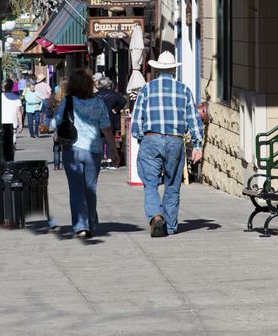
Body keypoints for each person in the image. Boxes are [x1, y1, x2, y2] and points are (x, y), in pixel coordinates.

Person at [131, 50, 203, 238]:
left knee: (150, 183)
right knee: (172, 184)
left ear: (156, 70)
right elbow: (194, 120)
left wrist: (141, 138)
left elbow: (137, 120)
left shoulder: (146, 89)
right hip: (175, 140)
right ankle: (170, 226)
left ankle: (156, 215)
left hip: (151, 138)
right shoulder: (184, 90)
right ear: (174, 71)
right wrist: (197, 145)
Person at [50, 69, 120, 238]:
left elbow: (54, 123)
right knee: (90, 189)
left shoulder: (67, 101)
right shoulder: (98, 102)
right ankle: (91, 223)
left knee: (76, 190)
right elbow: (106, 128)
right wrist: (114, 151)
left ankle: (81, 226)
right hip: (94, 151)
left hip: (72, 150)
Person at [95, 76, 126, 168]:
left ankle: (100, 161)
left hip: (98, 120)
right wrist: (116, 110)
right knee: (109, 140)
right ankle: (110, 160)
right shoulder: (113, 94)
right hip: (110, 120)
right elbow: (123, 100)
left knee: (100, 140)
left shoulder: (95, 95)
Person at [1, 79, 23, 160]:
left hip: (1, 123)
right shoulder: (16, 98)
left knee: (3, 143)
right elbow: (18, 112)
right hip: (12, 124)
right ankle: (10, 159)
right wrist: (20, 124)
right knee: (12, 143)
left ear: (3, 87)